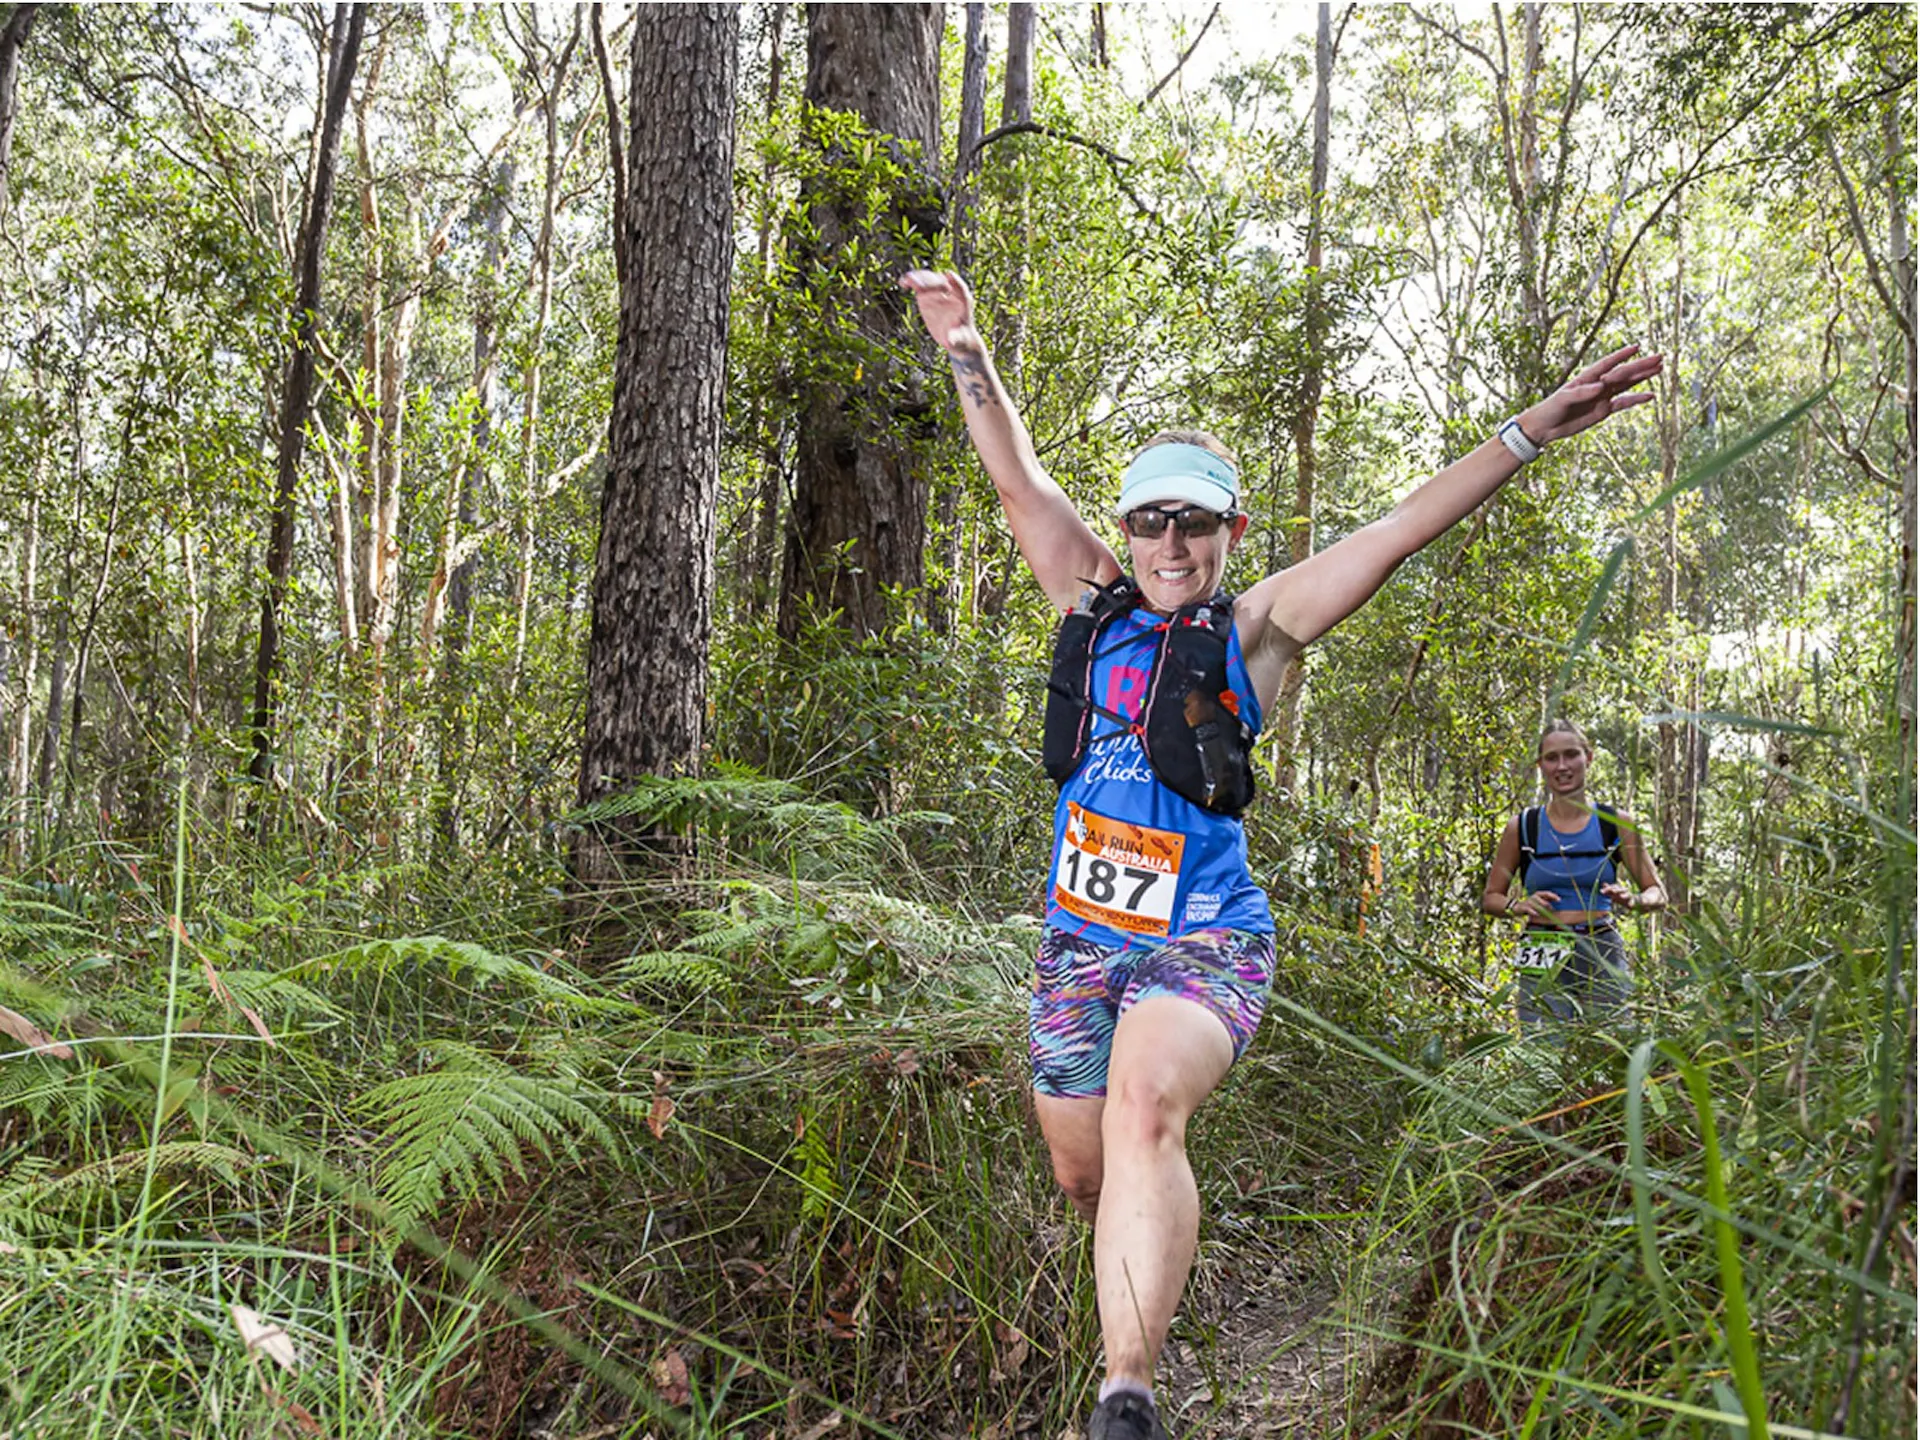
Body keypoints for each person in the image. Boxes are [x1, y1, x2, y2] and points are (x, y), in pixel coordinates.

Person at [900, 267, 1661, 1440]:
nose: (1168, 542)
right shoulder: (1089, 600)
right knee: (1083, 1171)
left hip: (1204, 945)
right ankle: (1133, 1260)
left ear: (1228, 531)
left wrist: (1529, 429)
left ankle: (1128, 1399)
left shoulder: (1254, 630)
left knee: (1147, 1105)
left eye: (1193, 520)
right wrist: (966, 343)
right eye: (1149, 518)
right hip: (1075, 947)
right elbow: (1016, 475)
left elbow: (1401, 526)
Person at [1481, 718, 1667, 1028]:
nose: (1562, 766)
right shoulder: (1524, 827)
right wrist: (1517, 906)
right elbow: (1491, 898)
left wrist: (1635, 900)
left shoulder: (1616, 823)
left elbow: (1657, 892)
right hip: (1542, 947)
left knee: (1609, 1050)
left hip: (1602, 945)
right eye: (1552, 758)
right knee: (1542, 1055)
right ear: (1541, 765)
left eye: (1571, 755)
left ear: (1588, 758)